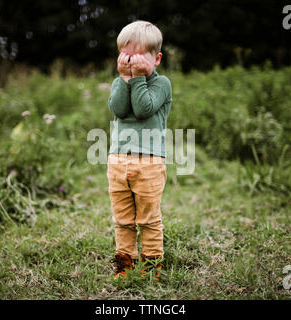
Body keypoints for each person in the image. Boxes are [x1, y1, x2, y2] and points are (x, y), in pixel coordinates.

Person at [107, 20, 172, 280]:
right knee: (122, 219)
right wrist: (126, 79)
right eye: (126, 54)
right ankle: (125, 263)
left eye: (137, 55)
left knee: (148, 219)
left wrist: (135, 79)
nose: (131, 61)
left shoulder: (162, 84)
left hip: (149, 163)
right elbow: (119, 109)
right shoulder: (118, 82)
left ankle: (152, 264)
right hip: (117, 161)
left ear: (156, 59)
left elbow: (144, 108)